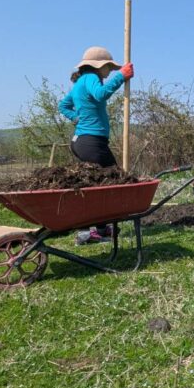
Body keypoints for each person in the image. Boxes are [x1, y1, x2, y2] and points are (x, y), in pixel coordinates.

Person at [58, 46, 135, 244]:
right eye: (108, 66)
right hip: (91, 142)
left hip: (83, 141)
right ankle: (87, 231)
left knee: (98, 185)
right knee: (110, 180)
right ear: (98, 66)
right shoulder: (91, 77)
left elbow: (63, 106)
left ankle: (98, 229)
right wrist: (121, 77)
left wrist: (76, 118)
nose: (110, 70)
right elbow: (101, 94)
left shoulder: (80, 82)